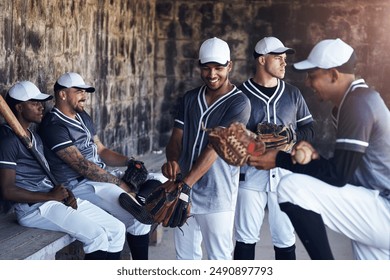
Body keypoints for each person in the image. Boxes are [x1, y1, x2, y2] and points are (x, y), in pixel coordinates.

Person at [248, 38, 390, 260]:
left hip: (384, 206)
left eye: (313, 76)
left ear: (333, 75)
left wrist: (280, 159)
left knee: (291, 187)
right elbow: (344, 168)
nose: (308, 82)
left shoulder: (358, 102)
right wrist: (315, 159)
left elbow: (338, 175)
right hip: (376, 203)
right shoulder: (355, 100)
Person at [0, 81, 126, 260]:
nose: (41, 107)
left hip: (53, 200)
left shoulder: (34, 137)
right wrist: (50, 196)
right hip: (33, 209)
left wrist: (65, 193)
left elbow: (45, 175)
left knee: (117, 229)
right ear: (19, 107)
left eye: (40, 102)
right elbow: (8, 191)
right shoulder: (8, 140)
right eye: (34, 103)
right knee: (97, 236)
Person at [38, 72, 151, 260]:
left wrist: (129, 162)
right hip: (78, 185)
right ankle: (137, 198)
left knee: (145, 210)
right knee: (131, 220)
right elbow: (82, 166)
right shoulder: (53, 125)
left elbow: (101, 150)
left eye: (85, 91)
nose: (84, 96)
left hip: (100, 178)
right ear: (63, 95)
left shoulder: (82, 116)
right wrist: (119, 183)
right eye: (79, 91)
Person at [161, 37, 251, 260]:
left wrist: (184, 186)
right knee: (185, 259)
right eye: (206, 68)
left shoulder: (239, 103)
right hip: (185, 191)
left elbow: (215, 147)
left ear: (229, 66)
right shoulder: (190, 98)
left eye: (219, 68)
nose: (212, 75)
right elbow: (176, 138)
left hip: (217, 194)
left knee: (218, 260)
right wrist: (172, 160)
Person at [233, 37, 314, 260]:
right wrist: (254, 143)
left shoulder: (293, 93)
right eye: (278, 58)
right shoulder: (240, 94)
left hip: (285, 176)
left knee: (286, 239)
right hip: (250, 176)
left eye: (285, 58)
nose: (284, 63)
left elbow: (310, 128)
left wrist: (291, 135)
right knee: (245, 238)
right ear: (261, 60)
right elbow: (231, 137)